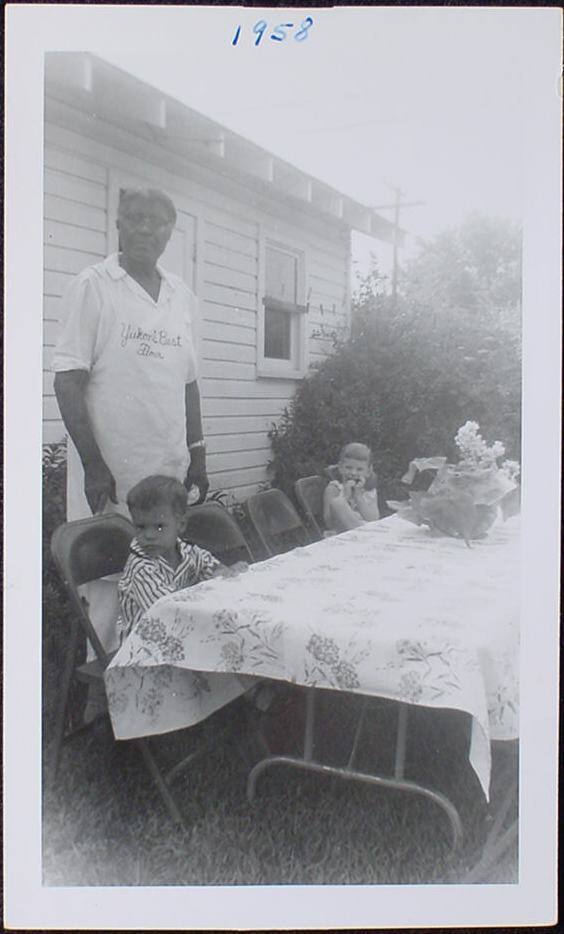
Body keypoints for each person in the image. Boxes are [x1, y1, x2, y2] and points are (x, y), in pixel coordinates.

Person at [53, 188, 208, 658]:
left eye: (157, 221)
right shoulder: (94, 285)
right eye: (135, 218)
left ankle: (163, 680)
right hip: (111, 476)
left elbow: (188, 383)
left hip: (167, 471)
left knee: (164, 578)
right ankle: (108, 702)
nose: (145, 228)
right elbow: (67, 381)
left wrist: (198, 454)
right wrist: (94, 465)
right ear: (118, 224)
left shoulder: (181, 295)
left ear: (170, 232)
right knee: (107, 587)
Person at [118, 475, 245, 639]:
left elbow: (211, 567)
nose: (148, 535)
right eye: (141, 527)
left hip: (180, 630)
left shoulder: (187, 550)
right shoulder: (141, 565)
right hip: (144, 644)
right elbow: (166, 610)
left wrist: (224, 573)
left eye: (159, 527)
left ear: (181, 525)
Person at [323, 442, 382, 533]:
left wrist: (358, 496)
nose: (353, 473)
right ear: (340, 468)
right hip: (342, 533)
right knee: (338, 503)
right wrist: (345, 497)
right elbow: (329, 523)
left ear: (368, 472)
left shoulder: (368, 490)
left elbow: (373, 518)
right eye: (348, 468)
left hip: (367, 531)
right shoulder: (334, 489)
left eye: (359, 469)